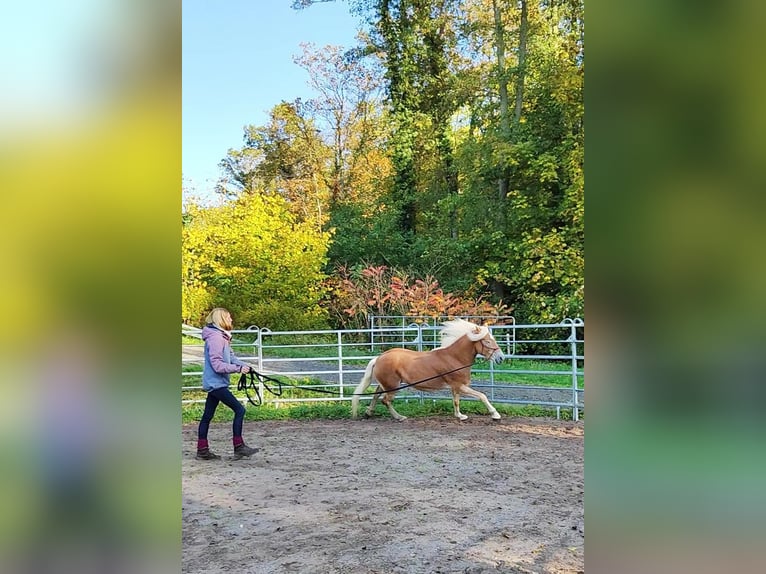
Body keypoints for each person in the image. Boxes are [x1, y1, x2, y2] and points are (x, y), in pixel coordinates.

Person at [196, 307, 259, 460]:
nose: (231, 320)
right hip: (216, 383)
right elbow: (218, 365)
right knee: (240, 410)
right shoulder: (216, 338)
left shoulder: (222, 337)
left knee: (207, 416)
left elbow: (230, 358)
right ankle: (238, 446)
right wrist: (238, 369)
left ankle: (202, 449)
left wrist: (245, 366)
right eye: (229, 317)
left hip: (216, 383)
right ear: (222, 319)